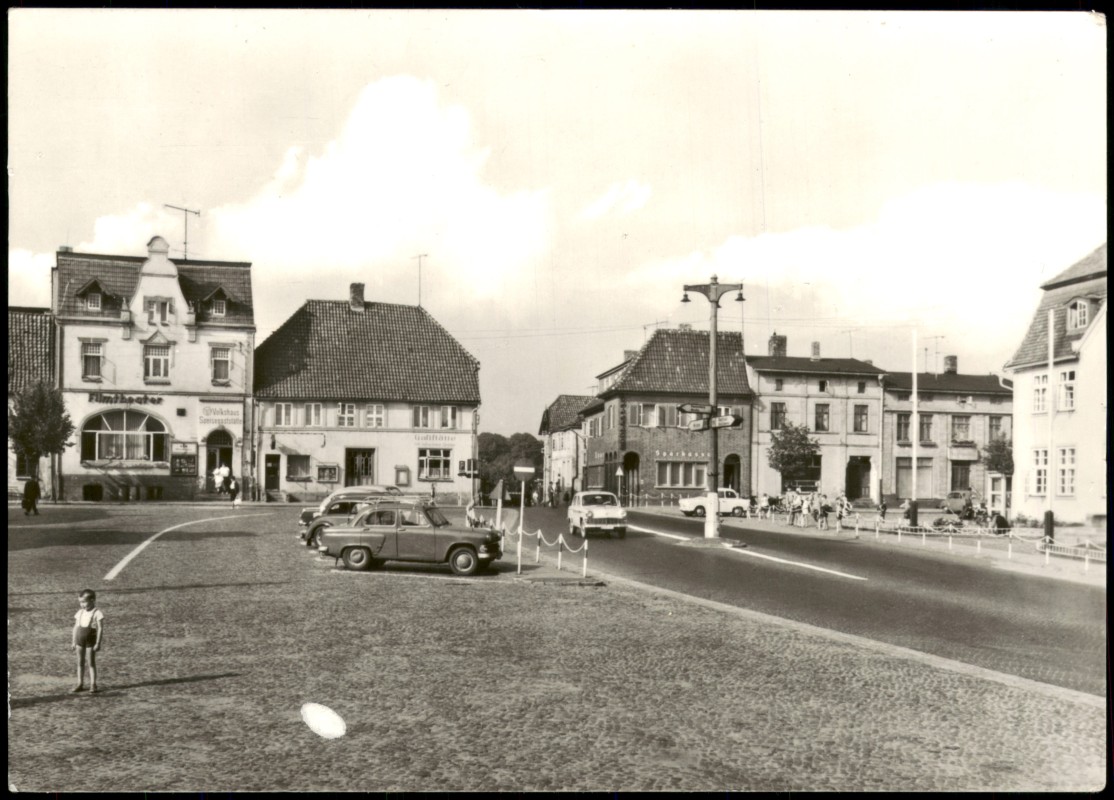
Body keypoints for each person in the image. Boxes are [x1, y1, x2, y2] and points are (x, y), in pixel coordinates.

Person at [71, 589, 104, 693]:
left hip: (90, 641)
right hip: (79, 640)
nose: (82, 605)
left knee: (91, 663)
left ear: (92, 600)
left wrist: (98, 643)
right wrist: (73, 641)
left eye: (84, 602)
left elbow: (100, 628)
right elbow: (75, 627)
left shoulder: (97, 613)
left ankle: (93, 684)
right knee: (80, 662)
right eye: (80, 602)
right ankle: (80, 683)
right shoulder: (80, 612)